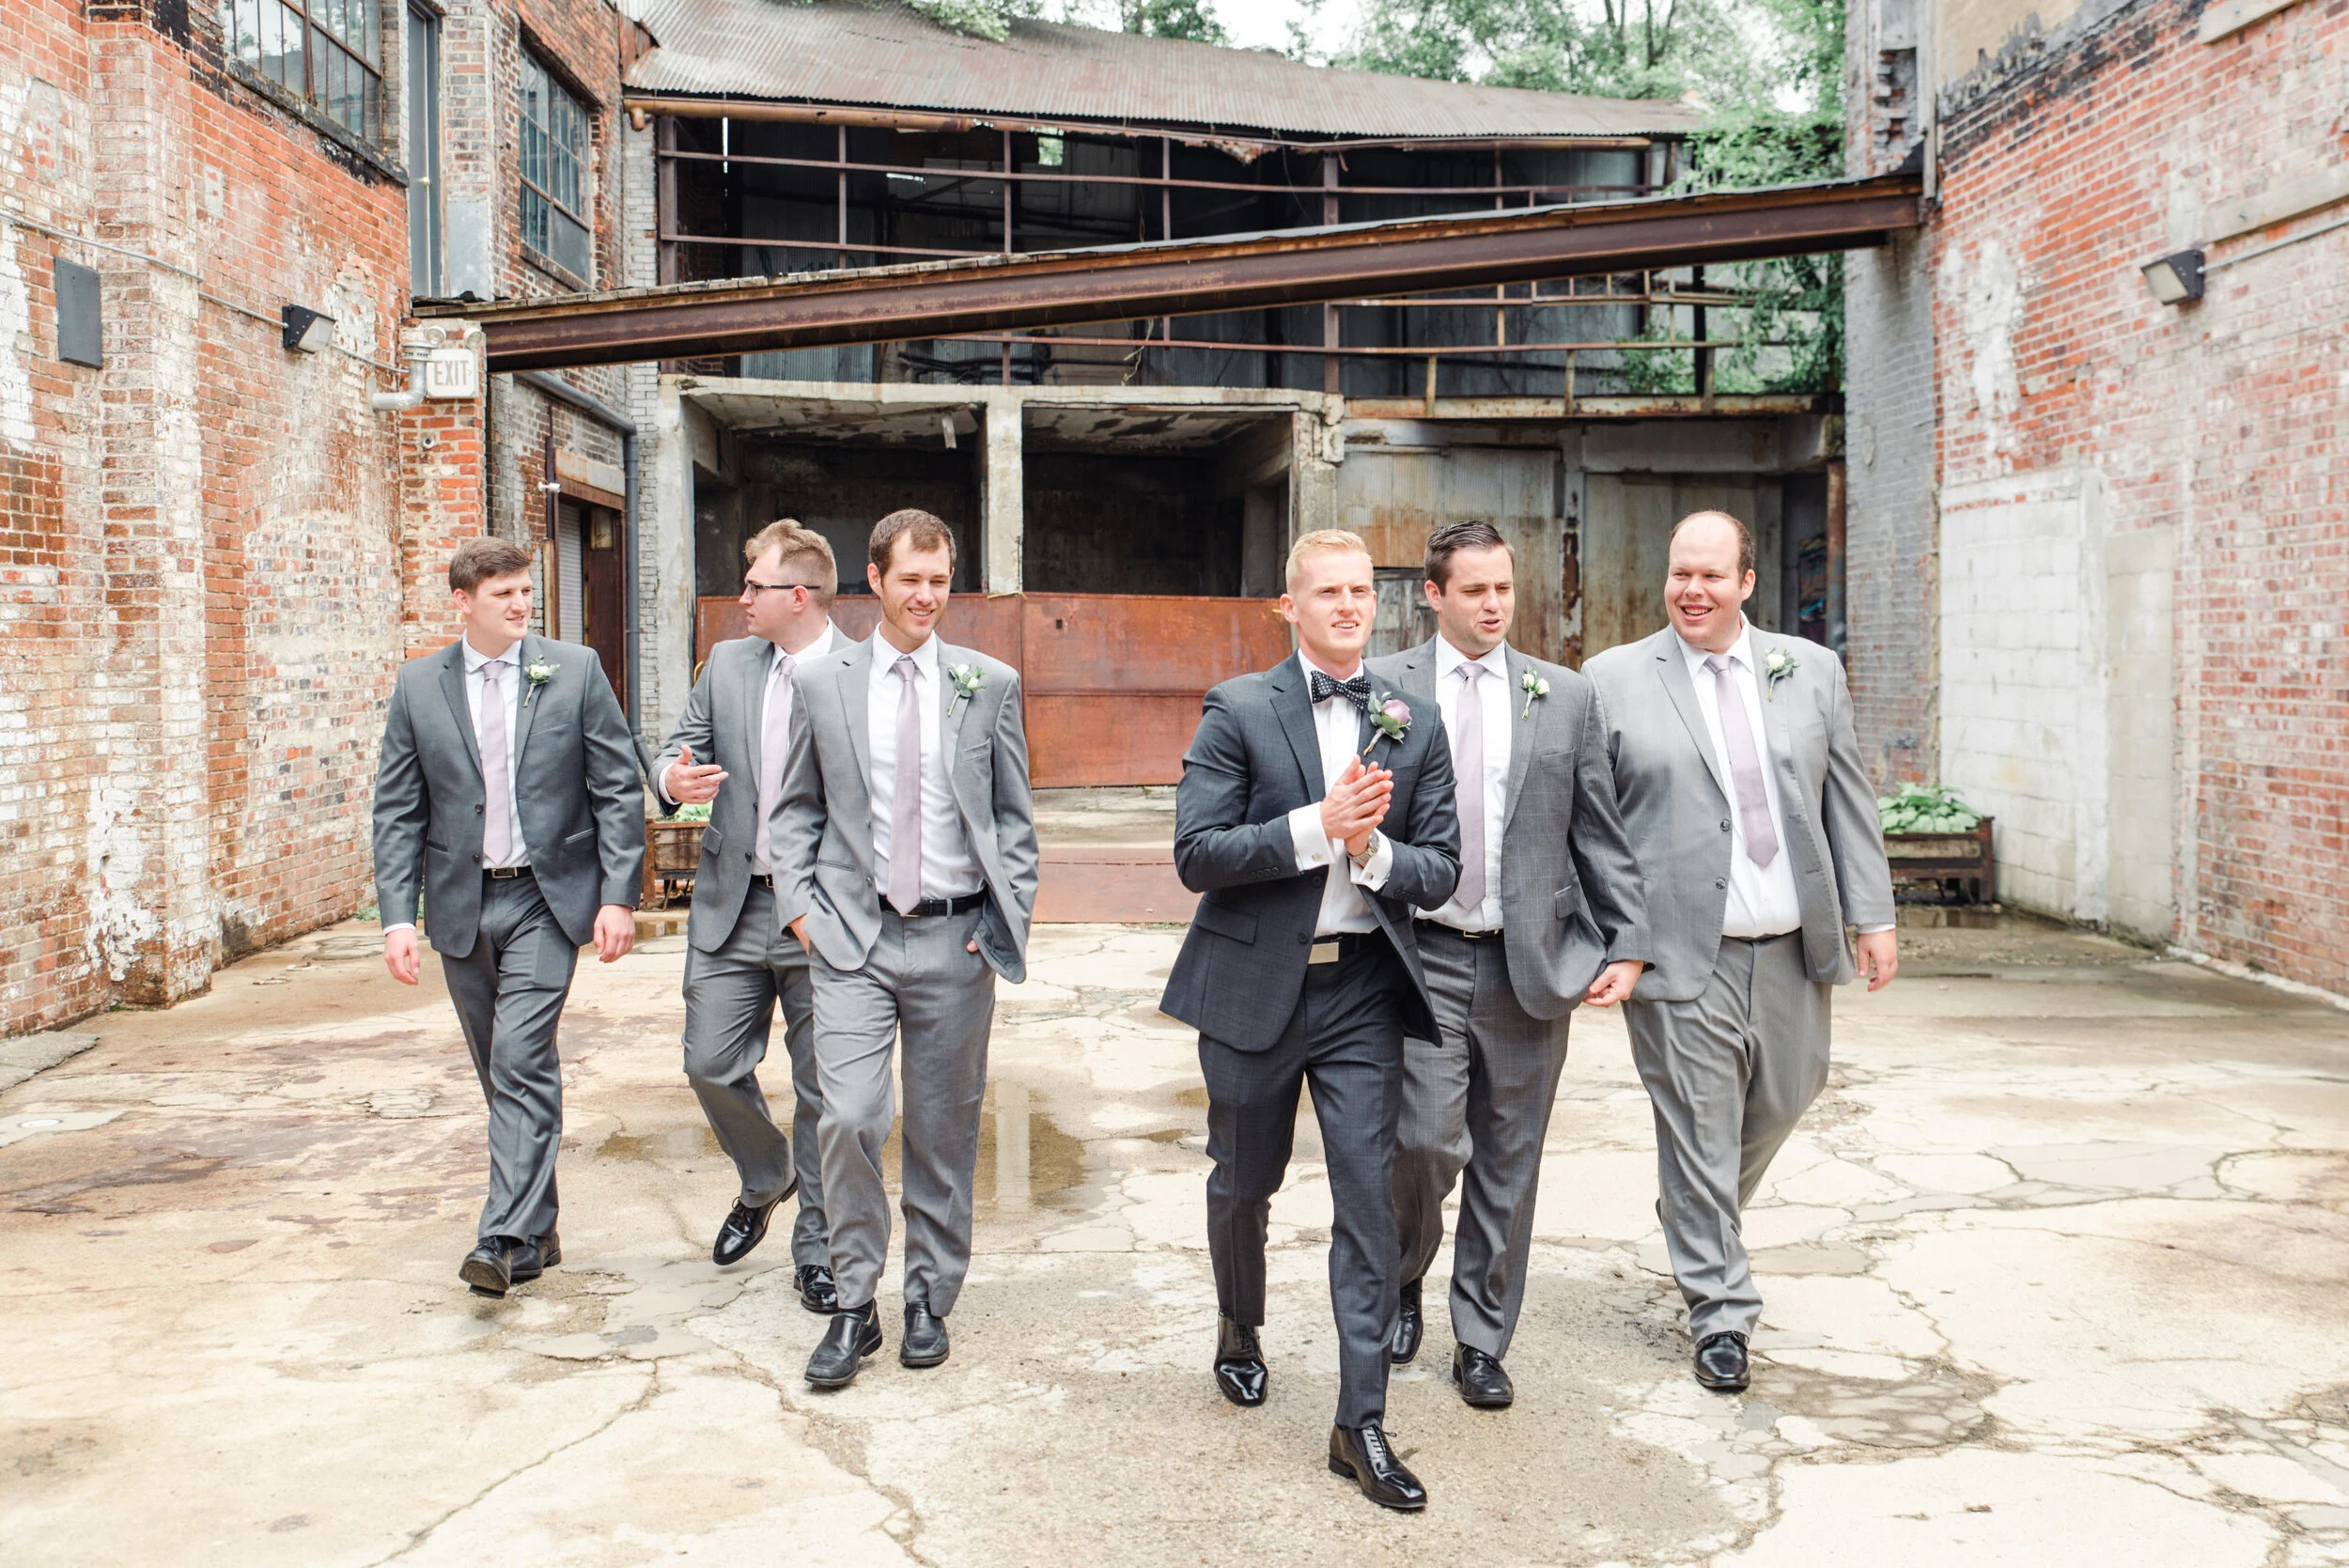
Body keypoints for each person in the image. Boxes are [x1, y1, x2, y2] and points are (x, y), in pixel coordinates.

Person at [1160, 528, 1461, 1513]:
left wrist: (1372, 852)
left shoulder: (1413, 720)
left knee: (1368, 1199)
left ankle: (1358, 1421)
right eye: (1327, 591)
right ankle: (1239, 1322)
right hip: (1254, 983)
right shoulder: (1240, 707)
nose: (1347, 606)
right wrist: (1314, 829)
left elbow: (1441, 869)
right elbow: (1198, 853)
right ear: (1289, 606)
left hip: (1362, 989)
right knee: (1245, 1180)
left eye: (1361, 590)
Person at [1584, 510, 1897, 1393]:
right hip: (1679, 951)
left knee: (1791, 1093)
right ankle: (1721, 1312)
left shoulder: (1811, 670)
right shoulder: (1613, 679)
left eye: (1711, 575)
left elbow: (1847, 801)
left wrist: (1874, 915)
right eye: (1680, 573)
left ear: (1747, 582)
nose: (1692, 590)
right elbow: (1592, 826)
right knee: (1699, 1123)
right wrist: (1613, 937)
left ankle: (1695, 1205)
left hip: (1792, 941)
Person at [1365, 520, 1648, 1409]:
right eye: (1475, 590)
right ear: (1434, 595)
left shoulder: (1563, 695)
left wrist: (1628, 939)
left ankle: (1482, 1337)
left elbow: (1597, 827)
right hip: (1421, 954)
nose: (1494, 606)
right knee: (1422, 1141)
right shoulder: (1384, 687)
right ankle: (1404, 1272)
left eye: (1504, 589)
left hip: (1530, 958)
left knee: (1510, 1157)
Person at [773, 508, 1038, 1389]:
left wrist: (1002, 921)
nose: (926, 596)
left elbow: (1014, 819)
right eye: (910, 579)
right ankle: (854, 1303)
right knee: (849, 1116)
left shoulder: (987, 682)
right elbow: (794, 810)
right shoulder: (823, 681)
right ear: (876, 580)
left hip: (955, 938)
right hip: (852, 937)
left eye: (939, 580)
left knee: (943, 1127)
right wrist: (801, 912)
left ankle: (928, 1296)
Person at [372, 536, 644, 1297]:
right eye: (504, 594)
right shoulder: (418, 685)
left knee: (521, 1058)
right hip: (461, 902)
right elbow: (397, 809)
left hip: (544, 898)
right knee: (502, 1071)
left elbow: (617, 786)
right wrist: (398, 917)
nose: (522, 604)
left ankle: (499, 1235)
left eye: (526, 590)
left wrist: (618, 894)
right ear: (463, 601)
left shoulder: (574, 670)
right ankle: (537, 1229)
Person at [652, 520, 845, 1312]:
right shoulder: (729, 664)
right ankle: (767, 1175)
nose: (740, 598)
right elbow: (678, 745)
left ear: (797, 595)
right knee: (708, 1062)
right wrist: (672, 780)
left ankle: (819, 1252)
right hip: (731, 901)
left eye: (753, 586)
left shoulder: (860, 672)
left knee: (825, 1091)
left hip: (822, 915)